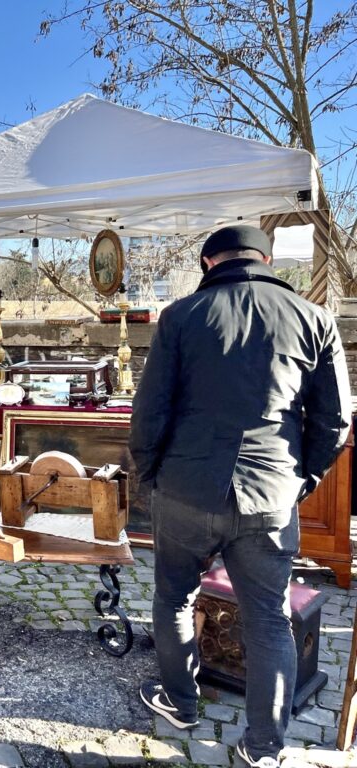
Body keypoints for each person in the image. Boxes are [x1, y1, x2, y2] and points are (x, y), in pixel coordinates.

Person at [129, 225, 351, 767]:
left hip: (186, 488)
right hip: (270, 493)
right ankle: (265, 745)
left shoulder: (180, 317)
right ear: (267, 259)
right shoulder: (314, 318)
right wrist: (303, 480)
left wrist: (152, 476)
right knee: (270, 617)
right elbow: (336, 420)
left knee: (173, 597)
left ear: (209, 263)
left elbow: (149, 414)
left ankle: (181, 702)